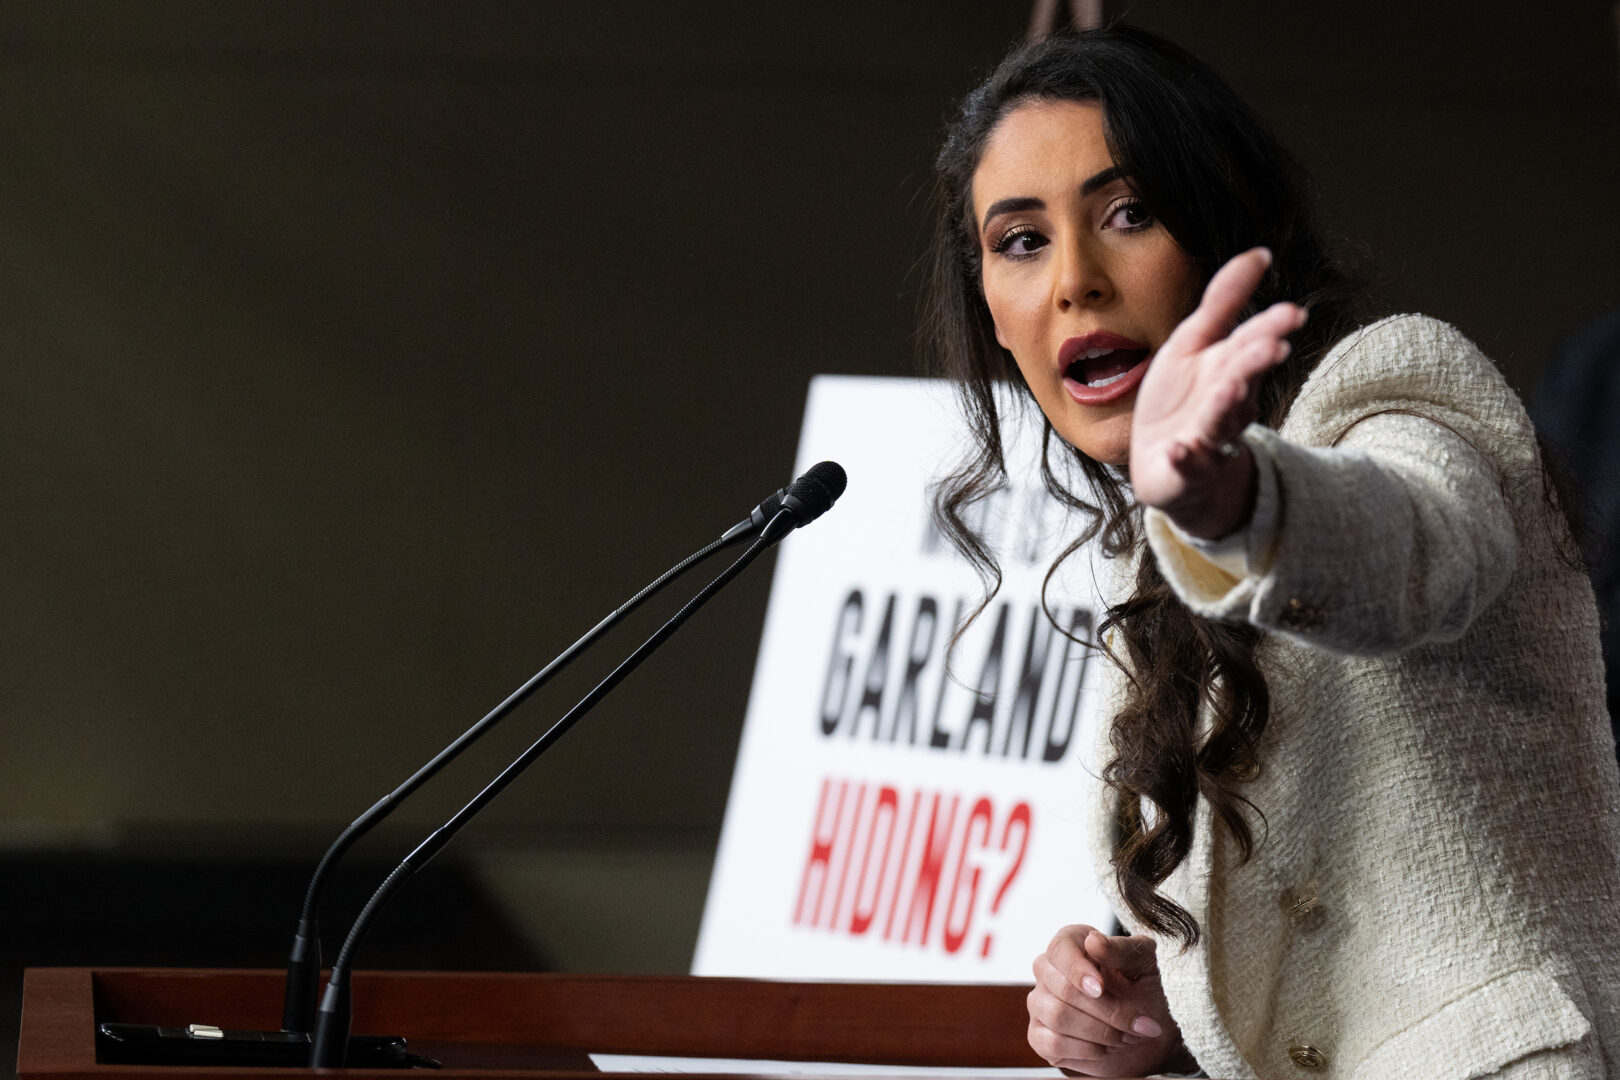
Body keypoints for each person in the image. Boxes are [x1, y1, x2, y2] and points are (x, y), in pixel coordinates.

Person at [924, 27, 1620, 1080]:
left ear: (1223, 229)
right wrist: (1159, 1007)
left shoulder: (1394, 383)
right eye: (1020, 240)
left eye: (1128, 213)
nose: (1075, 280)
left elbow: (1418, 547)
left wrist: (1237, 500)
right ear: (990, 308)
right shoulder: (1134, 566)